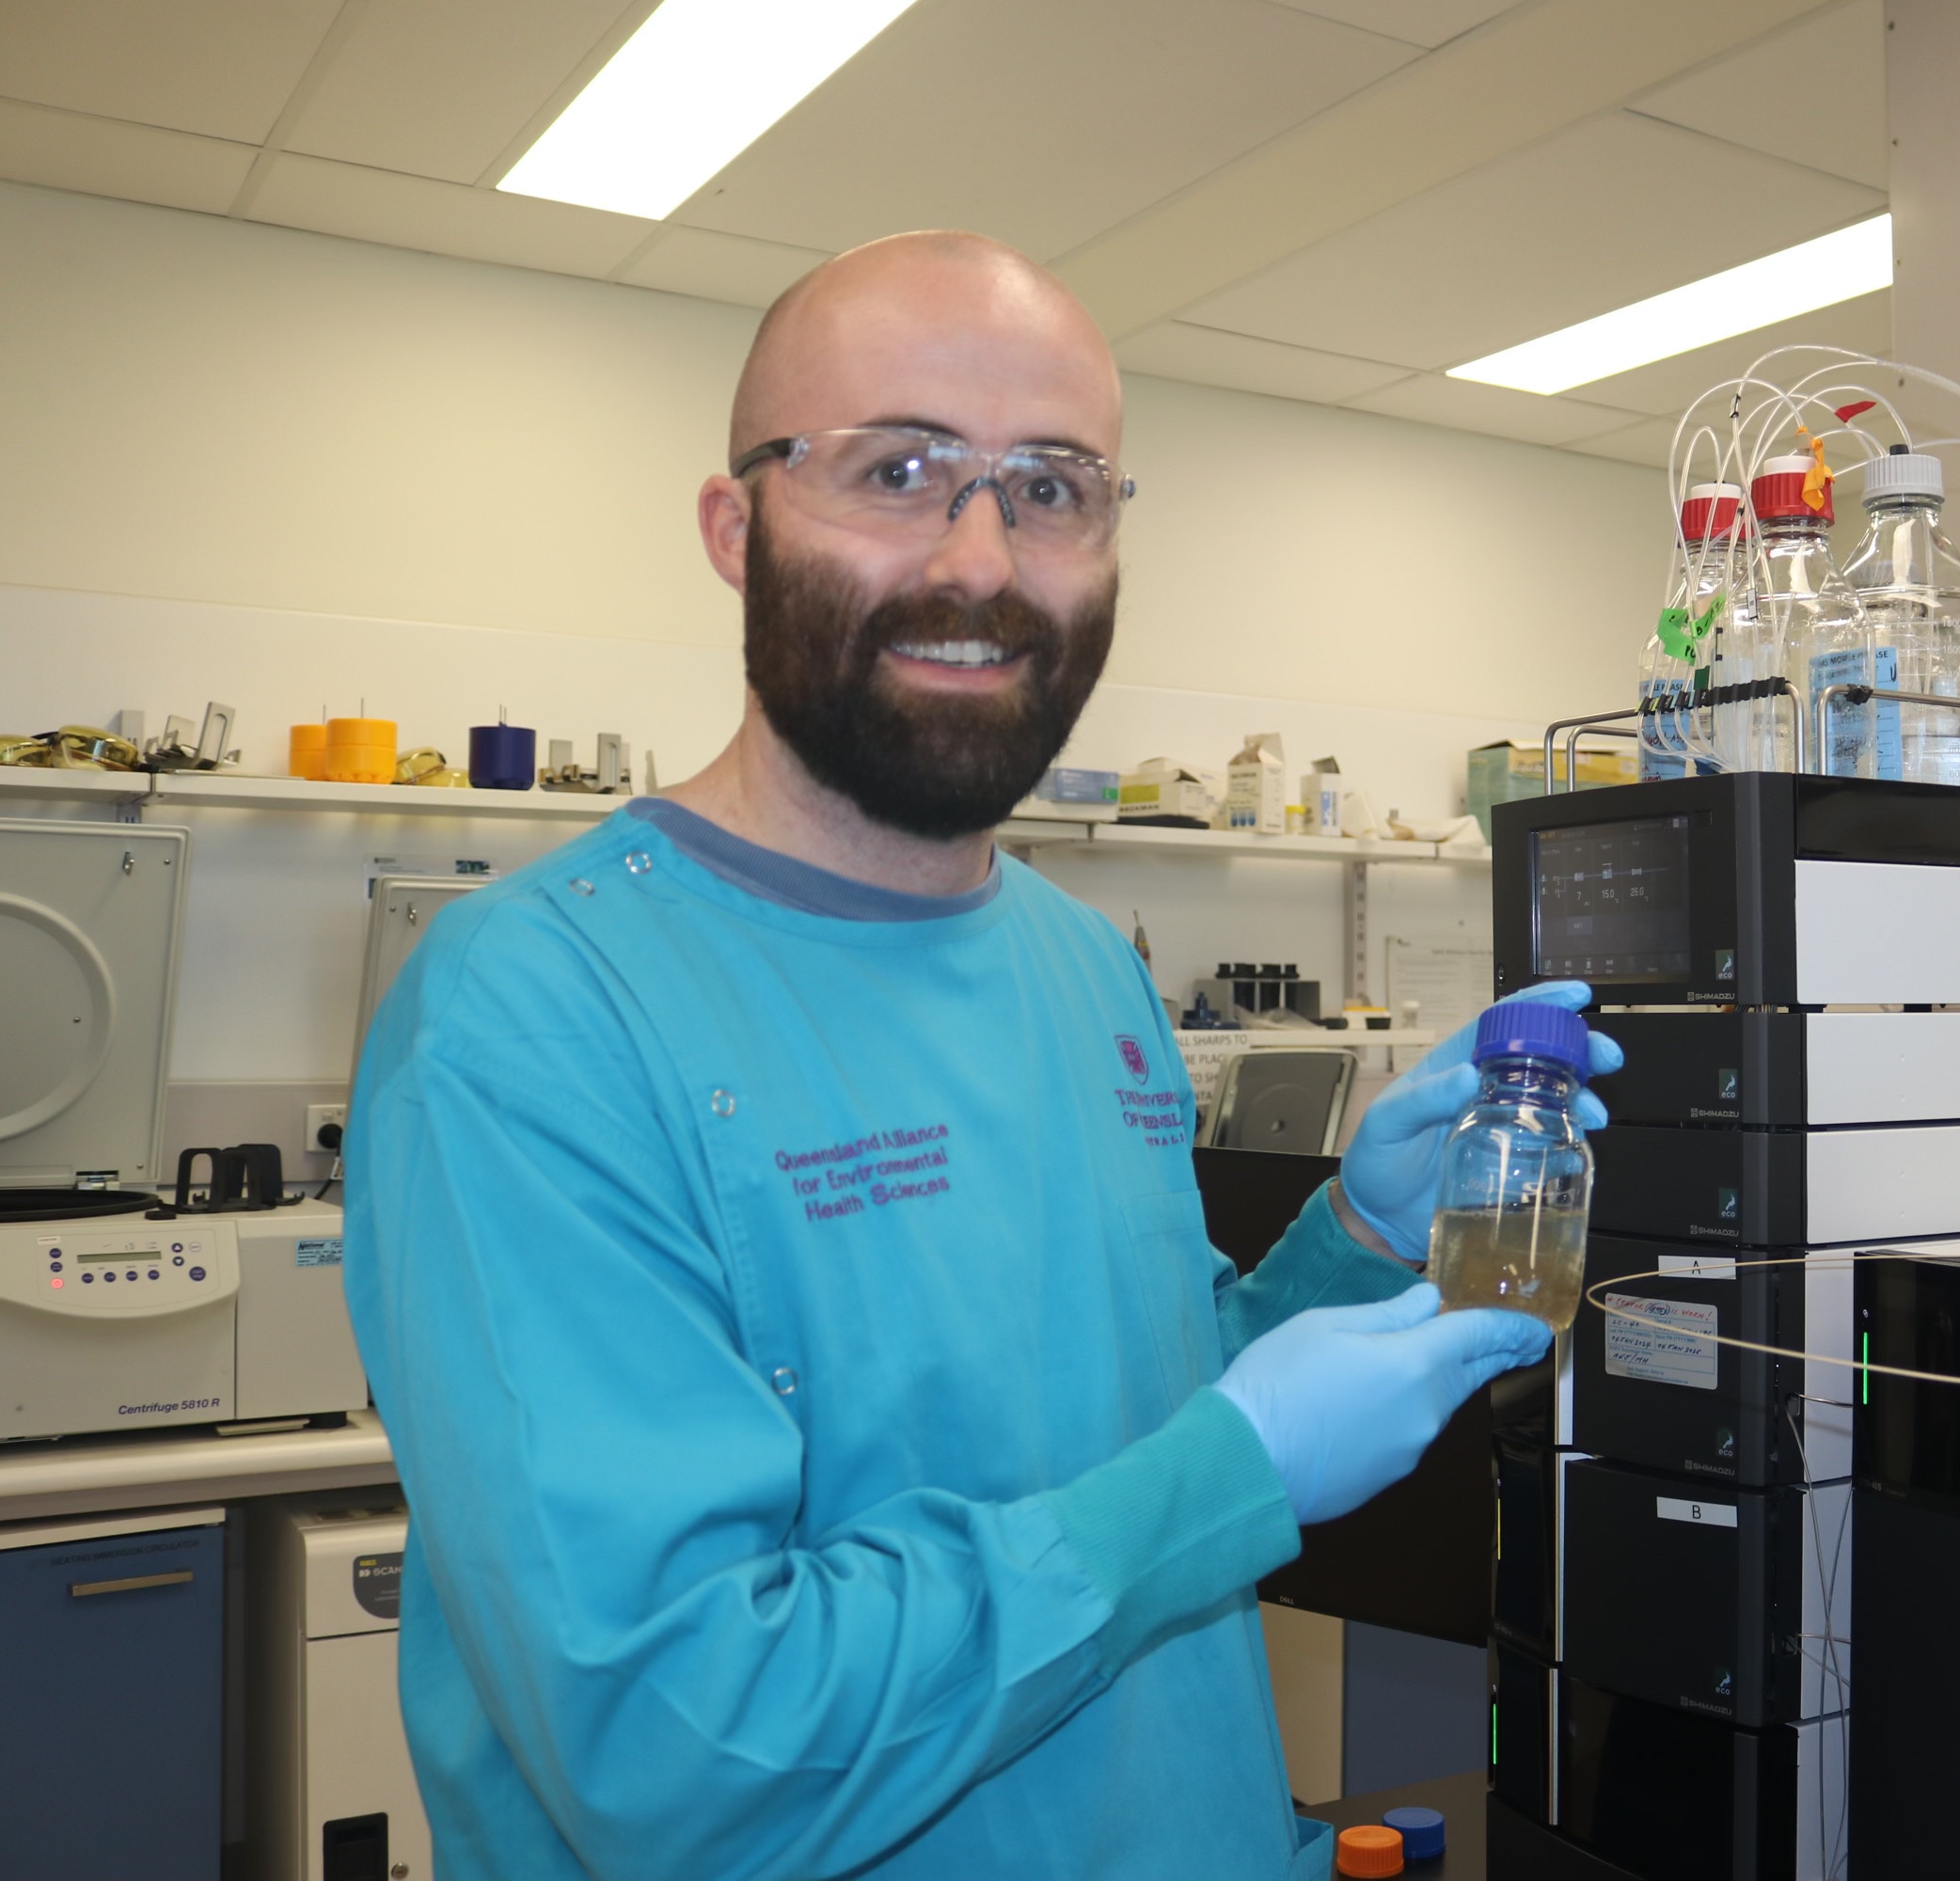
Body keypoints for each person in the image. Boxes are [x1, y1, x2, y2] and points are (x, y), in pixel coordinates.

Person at [344, 229, 1619, 1881]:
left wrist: (1354, 1248)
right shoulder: (531, 1013)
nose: (983, 559)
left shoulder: (1083, 967)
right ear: (738, 529)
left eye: (1052, 486)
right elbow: (673, 1748)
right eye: (900, 469)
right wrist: (1232, 1472)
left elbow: (1122, 1432)